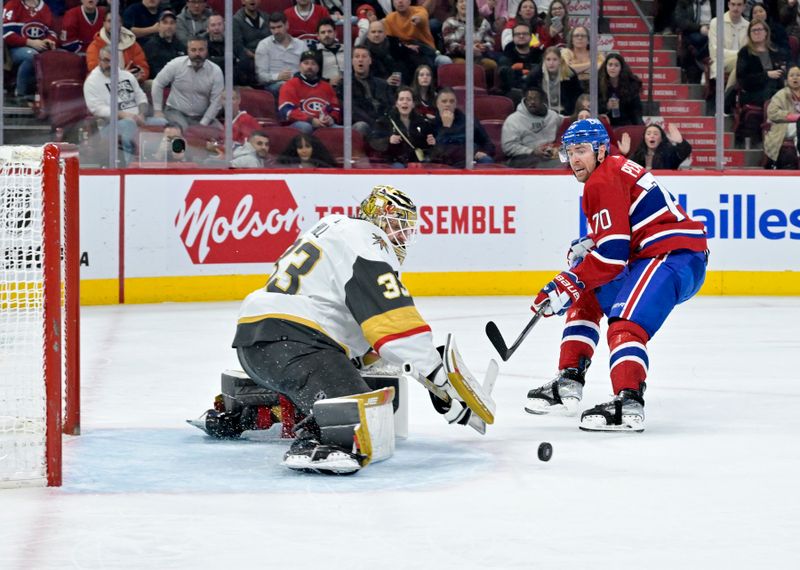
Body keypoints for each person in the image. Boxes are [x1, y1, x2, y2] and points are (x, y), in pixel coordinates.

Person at [222, 185, 487, 474]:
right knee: (361, 417)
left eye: (406, 231)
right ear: (378, 218)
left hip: (258, 347)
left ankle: (252, 407)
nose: (401, 237)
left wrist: (423, 377)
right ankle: (319, 442)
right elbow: (393, 322)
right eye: (398, 226)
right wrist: (439, 378)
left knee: (346, 379)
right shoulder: (368, 238)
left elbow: (365, 340)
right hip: (297, 344)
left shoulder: (331, 229)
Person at [524, 118, 708, 432]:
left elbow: (611, 258)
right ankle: (569, 377)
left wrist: (567, 281)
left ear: (600, 150)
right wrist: (588, 250)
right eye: (569, 152)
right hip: (670, 256)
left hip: (671, 256)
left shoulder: (602, 179)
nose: (574, 159)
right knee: (588, 295)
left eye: (581, 150)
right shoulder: (614, 170)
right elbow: (616, 239)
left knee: (626, 324)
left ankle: (629, 402)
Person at [83, 45, 163, 166]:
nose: (108, 64)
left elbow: (141, 96)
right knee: (128, 124)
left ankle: (160, 164)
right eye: (105, 60)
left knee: (163, 123)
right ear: (99, 60)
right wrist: (122, 115)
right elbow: (96, 109)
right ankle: (129, 167)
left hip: (137, 119)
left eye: (112, 61)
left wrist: (141, 114)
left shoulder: (127, 76)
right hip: (109, 125)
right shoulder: (92, 81)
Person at [152, 37, 224, 131]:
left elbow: (217, 101)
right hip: (175, 112)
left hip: (201, 116)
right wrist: (157, 110)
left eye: (201, 50)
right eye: (193, 50)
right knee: (183, 130)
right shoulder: (176, 64)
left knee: (221, 131)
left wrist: (204, 123)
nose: (197, 54)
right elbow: (158, 83)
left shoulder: (216, 71)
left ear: (206, 51)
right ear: (188, 51)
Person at [3, 0, 59, 102]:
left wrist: (50, 41)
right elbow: (5, 33)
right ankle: (21, 94)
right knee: (33, 56)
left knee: (60, 56)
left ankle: (50, 96)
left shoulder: (44, 7)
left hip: (40, 48)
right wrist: (29, 42)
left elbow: (52, 31)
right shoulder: (13, 5)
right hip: (13, 50)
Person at [369, 86, 436, 167]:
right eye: (401, 99)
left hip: (416, 163)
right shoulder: (384, 122)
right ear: (396, 103)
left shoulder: (422, 122)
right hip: (393, 162)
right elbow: (373, 142)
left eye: (408, 99)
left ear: (413, 104)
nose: (405, 102)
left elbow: (427, 147)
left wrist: (431, 142)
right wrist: (388, 140)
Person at [278, 49, 342, 133]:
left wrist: (331, 118)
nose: (309, 67)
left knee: (347, 132)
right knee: (306, 127)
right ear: (300, 66)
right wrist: (310, 120)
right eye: (306, 63)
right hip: (298, 124)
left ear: (318, 68)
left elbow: (335, 107)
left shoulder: (327, 87)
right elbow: (286, 109)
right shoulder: (290, 84)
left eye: (313, 64)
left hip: (323, 124)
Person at [383, 0, 453, 75]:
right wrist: (406, 47)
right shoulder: (389, 19)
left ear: (410, 2)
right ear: (393, 3)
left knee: (445, 61)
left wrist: (418, 19)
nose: (400, 1)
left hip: (427, 51)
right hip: (405, 53)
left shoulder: (419, 10)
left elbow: (422, 17)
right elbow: (390, 41)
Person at [337, 46, 394, 136]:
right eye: (357, 56)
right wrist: (374, 122)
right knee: (361, 126)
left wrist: (384, 120)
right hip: (361, 123)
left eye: (364, 56)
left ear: (370, 61)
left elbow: (391, 105)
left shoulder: (383, 84)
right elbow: (352, 110)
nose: (360, 60)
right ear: (352, 61)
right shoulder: (344, 85)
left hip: (383, 122)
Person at [431, 87, 496, 166]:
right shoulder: (431, 124)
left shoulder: (469, 121)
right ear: (437, 104)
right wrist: (446, 127)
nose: (448, 104)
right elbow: (437, 151)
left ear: (455, 104)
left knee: (486, 160)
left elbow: (487, 142)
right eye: (444, 101)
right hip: (444, 162)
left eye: (452, 101)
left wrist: (484, 152)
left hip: (469, 159)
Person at [501, 85, 563, 167]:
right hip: (522, 158)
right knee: (552, 164)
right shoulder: (513, 120)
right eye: (529, 99)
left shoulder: (553, 116)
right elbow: (508, 147)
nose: (532, 102)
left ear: (543, 101)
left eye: (535, 99)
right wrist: (532, 151)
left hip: (549, 155)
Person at [442, 0, 498, 86]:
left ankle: (487, 93)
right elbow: (449, 44)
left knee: (491, 65)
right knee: (462, 65)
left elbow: (490, 42)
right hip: (457, 56)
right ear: (456, 5)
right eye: (461, 1)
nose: (464, 4)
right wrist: (467, 48)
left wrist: (482, 47)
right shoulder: (449, 22)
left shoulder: (483, 22)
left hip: (478, 56)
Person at [86, 10, 150, 83]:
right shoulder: (95, 46)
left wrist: (140, 74)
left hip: (131, 82)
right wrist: (122, 75)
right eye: (109, 21)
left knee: (152, 84)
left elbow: (144, 68)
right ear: (104, 23)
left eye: (117, 21)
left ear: (121, 23)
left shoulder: (132, 44)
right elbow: (95, 70)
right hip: (105, 84)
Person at [255, 12, 307, 97]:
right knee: (284, 87)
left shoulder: (301, 45)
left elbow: (306, 68)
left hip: (298, 82)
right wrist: (278, 76)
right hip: (275, 85)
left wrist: (296, 78)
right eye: (273, 28)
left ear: (287, 25)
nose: (276, 31)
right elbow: (260, 77)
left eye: (279, 27)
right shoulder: (264, 45)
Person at [736, 20, 786, 108]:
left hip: (775, 90)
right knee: (773, 93)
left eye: (759, 29)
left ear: (766, 32)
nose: (757, 32)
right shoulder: (745, 52)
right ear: (749, 34)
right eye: (753, 30)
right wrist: (766, 75)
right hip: (753, 92)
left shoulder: (774, 50)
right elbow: (743, 80)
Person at [526, 45, 582, 115]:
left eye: (555, 59)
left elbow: (576, 96)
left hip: (565, 111)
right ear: (544, 60)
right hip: (542, 112)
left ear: (560, 61)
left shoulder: (570, 74)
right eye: (548, 59)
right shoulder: (535, 74)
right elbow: (528, 94)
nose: (551, 63)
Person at [764, 65, 800, 168]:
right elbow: (772, 113)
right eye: (792, 75)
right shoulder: (781, 95)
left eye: (798, 75)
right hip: (783, 127)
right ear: (787, 79)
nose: (795, 78)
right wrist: (792, 116)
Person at [708, 0, 749, 91]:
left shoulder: (748, 26)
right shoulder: (716, 22)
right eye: (733, 4)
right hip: (720, 62)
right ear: (728, 5)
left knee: (742, 64)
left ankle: (727, 97)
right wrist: (740, 54)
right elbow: (715, 51)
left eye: (739, 5)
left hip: (742, 63)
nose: (735, 8)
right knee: (743, 61)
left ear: (744, 6)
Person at [498, 22, 543, 102]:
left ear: (531, 36)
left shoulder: (538, 53)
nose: (521, 36)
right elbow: (505, 75)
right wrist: (527, 70)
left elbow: (542, 71)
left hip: (536, 93)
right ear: (513, 37)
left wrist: (521, 67)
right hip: (513, 94)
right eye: (517, 34)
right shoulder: (507, 55)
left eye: (525, 34)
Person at [673, 0, 716, 84]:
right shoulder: (684, 2)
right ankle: (704, 66)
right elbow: (680, 21)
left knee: (713, 41)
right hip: (693, 31)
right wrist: (699, 28)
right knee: (699, 40)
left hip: (713, 31)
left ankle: (704, 64)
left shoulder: (715, 3)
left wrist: (712, 29)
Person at [598, 52, 644, 127]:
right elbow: (593, 107)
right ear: (605, 67)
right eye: (610, 65)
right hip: (604, 124)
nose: (613, 68)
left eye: (616, 65)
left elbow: (636, 110)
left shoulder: (630, 85)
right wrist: (606, 106)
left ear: (621, 68)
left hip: (625, 123)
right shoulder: (598, 84)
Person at [233, 0, 270, 87]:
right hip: (249, 58)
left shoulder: (266, 17)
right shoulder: (236, 20)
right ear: (243, 1)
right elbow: (238, 46)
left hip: (268, 55)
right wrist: (256, 56)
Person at [624, 123, 692, 170]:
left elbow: (685, 152)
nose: (652, 136)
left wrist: (680, 142)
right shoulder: (638, 155)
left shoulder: (669, 154)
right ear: (644, 138)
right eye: (648, 134)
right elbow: (626, 169)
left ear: (661, 139)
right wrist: (624, 154)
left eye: (655, 134)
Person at [143, 10, 186, 81]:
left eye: (172, 23)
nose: (169, 26)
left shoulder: (181, 46)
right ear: (159, 26)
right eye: (165, 23)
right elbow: (154, 71)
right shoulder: (151, 46)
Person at [560, 25, 604, 92]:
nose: (580, 38)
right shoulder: (566, 52)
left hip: (593, 89)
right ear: (571, 40)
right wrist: (592, 64)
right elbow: (567, 71)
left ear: (588, 40)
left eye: (583, 36)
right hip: (570, 89)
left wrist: (576, 69)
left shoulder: (596, 54)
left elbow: (602, 69)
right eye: (576, 35)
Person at [315, 18, 345, 86]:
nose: (326, 35)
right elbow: (311, 76)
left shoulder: (347, 50)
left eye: (329, 31)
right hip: (324, 90)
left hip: (348, 90)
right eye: (323, 32)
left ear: (335, 33)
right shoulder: (315, 53)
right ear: (318, 36)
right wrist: (327, 81)